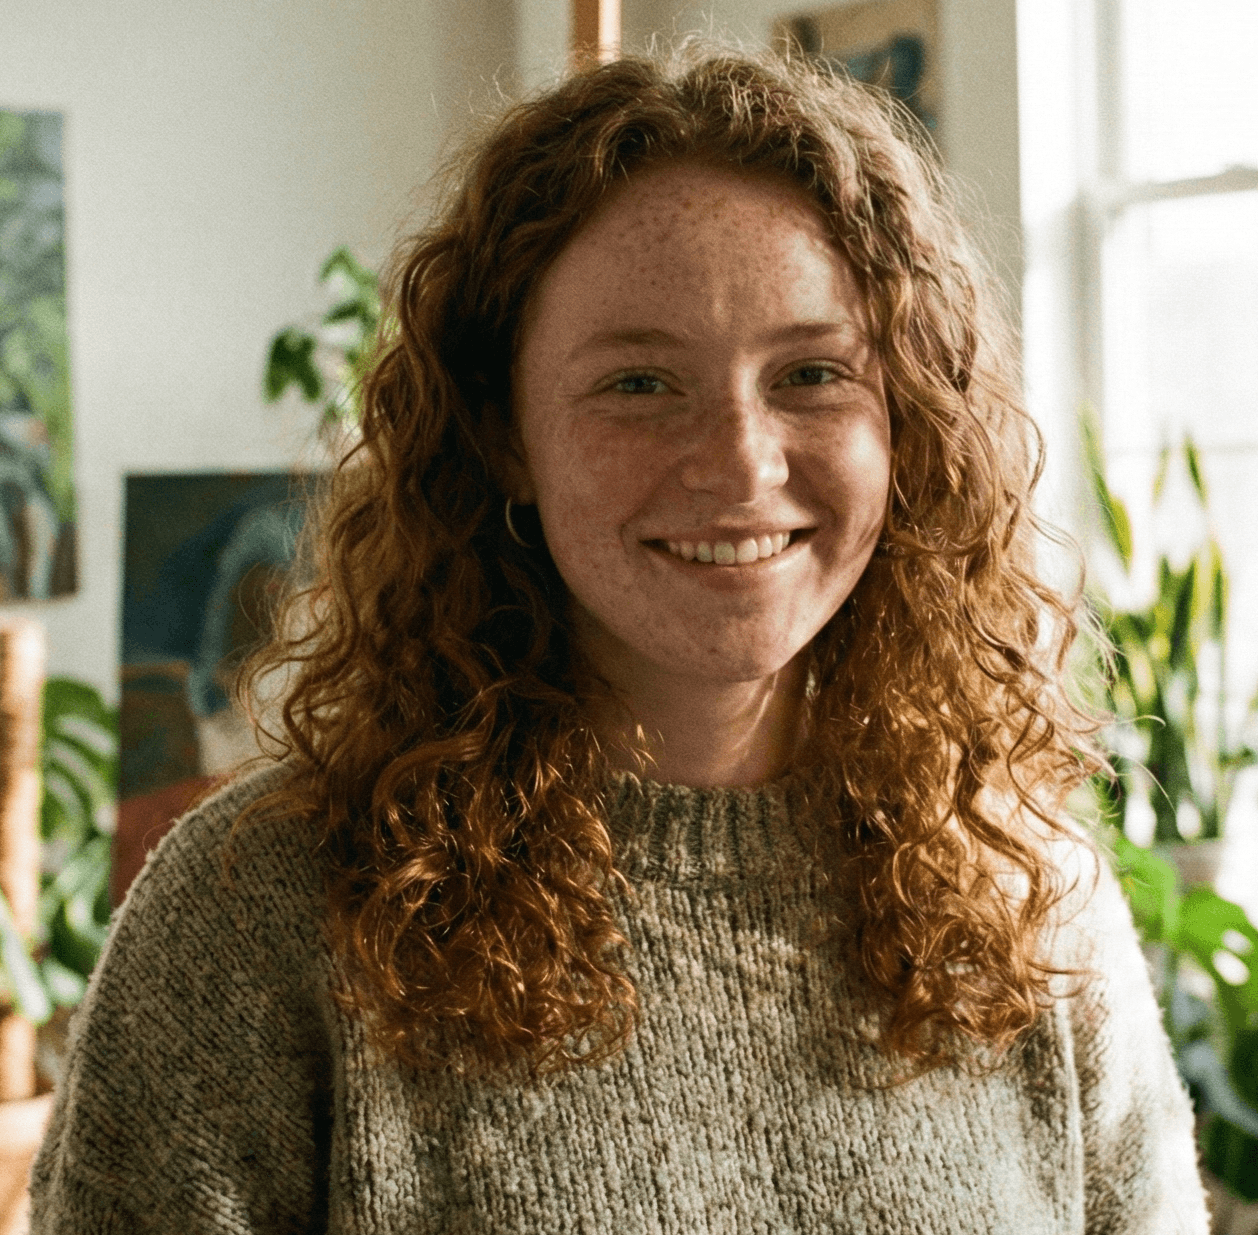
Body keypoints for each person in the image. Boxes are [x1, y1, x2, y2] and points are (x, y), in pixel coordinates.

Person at [30, 46, 1209, 1233]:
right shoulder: (261, 909)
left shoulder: (1022, 891)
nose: (742, 464)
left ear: (906, 421)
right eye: (639, 383)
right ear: (501, 432)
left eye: (810, 373)